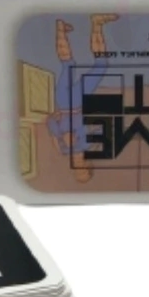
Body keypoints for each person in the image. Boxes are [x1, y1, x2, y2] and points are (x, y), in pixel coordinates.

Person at [47, 13, 119, 183]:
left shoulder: (62, 149)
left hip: (68, 102)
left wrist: (60, 128)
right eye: (84, 170)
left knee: (78, 65)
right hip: (75, 102)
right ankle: (62, 29)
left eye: (78, 172)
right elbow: (105, 124)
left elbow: (50, 122)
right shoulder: (88, 145)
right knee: (74, 64)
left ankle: (95, 23)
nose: (80, 167)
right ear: (88, 165)